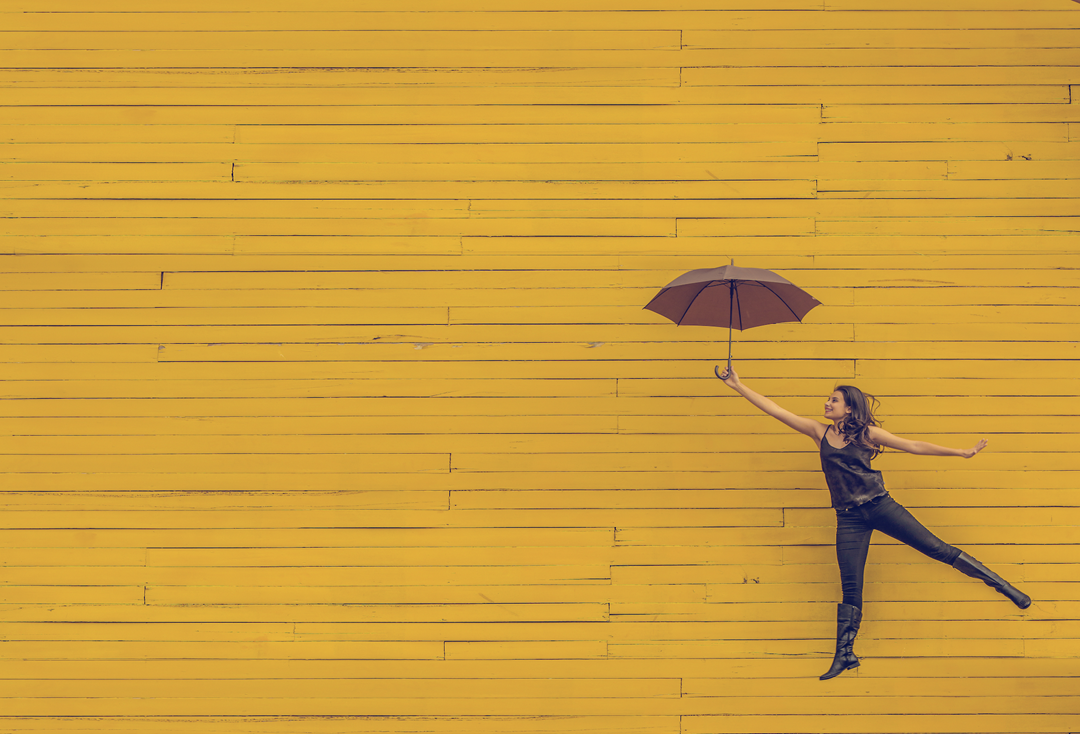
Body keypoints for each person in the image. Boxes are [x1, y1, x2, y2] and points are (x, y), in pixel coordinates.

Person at [717, 366, 1031, 681]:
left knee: (937, 549)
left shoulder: (867, 433)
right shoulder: (818, 432)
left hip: (880, 506)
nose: (827, 404)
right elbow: (775, 410)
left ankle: (1004, 587)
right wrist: (737, 386)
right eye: (828, 399)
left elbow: (914, 445)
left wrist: (961, 452)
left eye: (833, 400)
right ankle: (845, 654)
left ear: (849, 407)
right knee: (851, 586)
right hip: (848, 517)